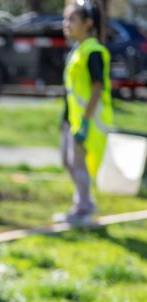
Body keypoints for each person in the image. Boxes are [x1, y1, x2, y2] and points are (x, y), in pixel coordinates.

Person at [56, 0, 112, 226]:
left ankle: (84, 207)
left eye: (72, 19)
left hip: (85, 120)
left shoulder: (93, 51)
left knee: (78, 164)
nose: (65, 24)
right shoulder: (78, 49)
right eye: (65, 19)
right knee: (68, 161)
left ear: (88, 23)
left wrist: (86, 121)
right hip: (72, 118)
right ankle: (83, 203)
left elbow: (97, 87)